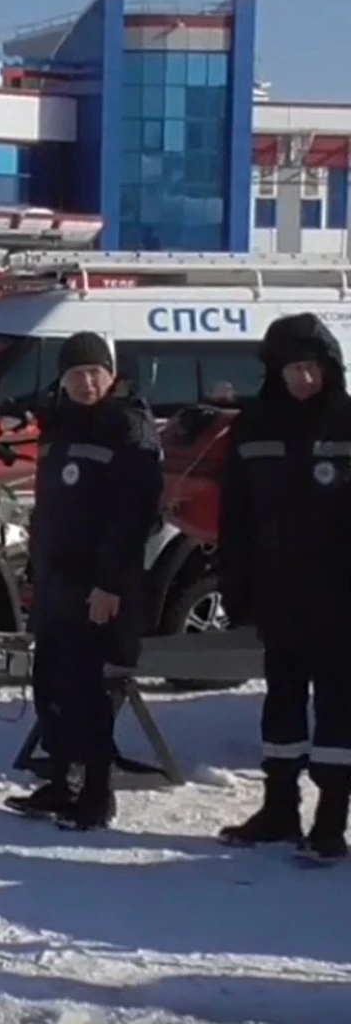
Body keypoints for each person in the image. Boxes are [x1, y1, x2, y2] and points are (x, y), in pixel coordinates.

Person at [7, 331, 160, 832]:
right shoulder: (60, 425)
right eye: (76, 374)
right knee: (51, 682)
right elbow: (51, 507)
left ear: (110, 374)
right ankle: (62, 780)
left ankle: (97, 794)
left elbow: (132, 516)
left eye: (95, 372)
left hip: (101, 586)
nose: (86, 382)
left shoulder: (128, 427)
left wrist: (110, 584)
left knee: (89, 688)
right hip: (58, 581)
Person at [217, 313, 351, 861]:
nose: (305, 378)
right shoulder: (254, 427)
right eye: (295, 367)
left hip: (341, 601)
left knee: (340, 712)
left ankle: (330, 821)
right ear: (277, 371)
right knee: (282, 707)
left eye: (314, 367)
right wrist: (237, 587)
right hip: (280, 595)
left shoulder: (347, 423)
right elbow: (236, 518)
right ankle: (279, 809)